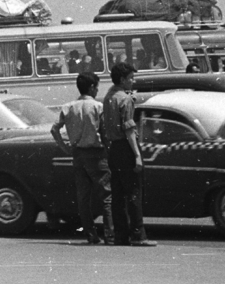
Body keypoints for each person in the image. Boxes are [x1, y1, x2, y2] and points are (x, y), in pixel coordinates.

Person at [51, 70, 113, 245]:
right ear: (92, 87)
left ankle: (91, 234)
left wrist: (65, 148)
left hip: (78, 154)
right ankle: (110, 234)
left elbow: (55, 130)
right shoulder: (98, 107)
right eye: (97, 87)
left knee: (83, 197)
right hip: (97, 154)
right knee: (107, 196)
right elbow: (105, 133)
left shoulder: (68, 107)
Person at [102, 62, 155, 246]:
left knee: (117, 195)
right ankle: (138, 235)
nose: (133, 81)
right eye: (131, 78)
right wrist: (137, 156)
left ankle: (121, 236)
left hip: (113, 149)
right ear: (123, 79)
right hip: (126, 147)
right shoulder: (125, 99)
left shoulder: (108, 97)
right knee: (134, 193)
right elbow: (129, 130)